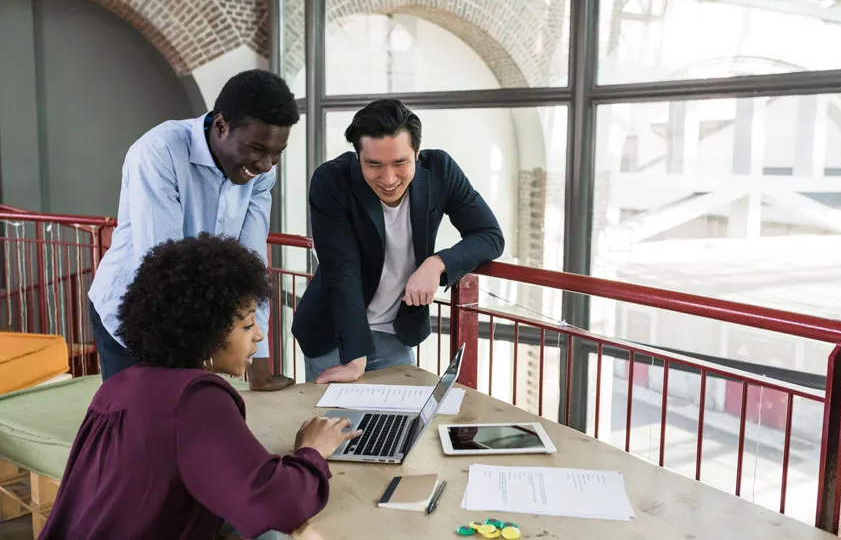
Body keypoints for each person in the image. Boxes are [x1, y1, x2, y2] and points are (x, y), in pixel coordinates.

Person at [40, 234, 361, 540]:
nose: (259, 336)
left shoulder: (115, 388)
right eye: (247, 324)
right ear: (206, 331)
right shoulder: (195, 398)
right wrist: (312, 452)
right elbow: (274, 505)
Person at [88, 69, 296, 391]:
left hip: (196, 320)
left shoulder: (259, 172)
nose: (266, 166)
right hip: (134, 310)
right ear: (221, 126)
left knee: (187, 417)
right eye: (257, 149)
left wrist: (259, 358)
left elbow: (252, 264)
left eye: (276, 154)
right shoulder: (160, 151)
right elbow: (161, 271)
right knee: (139, 423)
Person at [292, 99, 504, 384]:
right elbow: (342, 270)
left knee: (400, 424)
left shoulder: (440, 170)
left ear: (417, 152)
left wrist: (437, 263)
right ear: (357, 157)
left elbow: (489, 235)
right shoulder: (331, 181)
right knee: (337, 426)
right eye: (374, 165)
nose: (388, 178)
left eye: (400, 163)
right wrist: (355, 357)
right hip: (336, 333)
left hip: (396, 332)